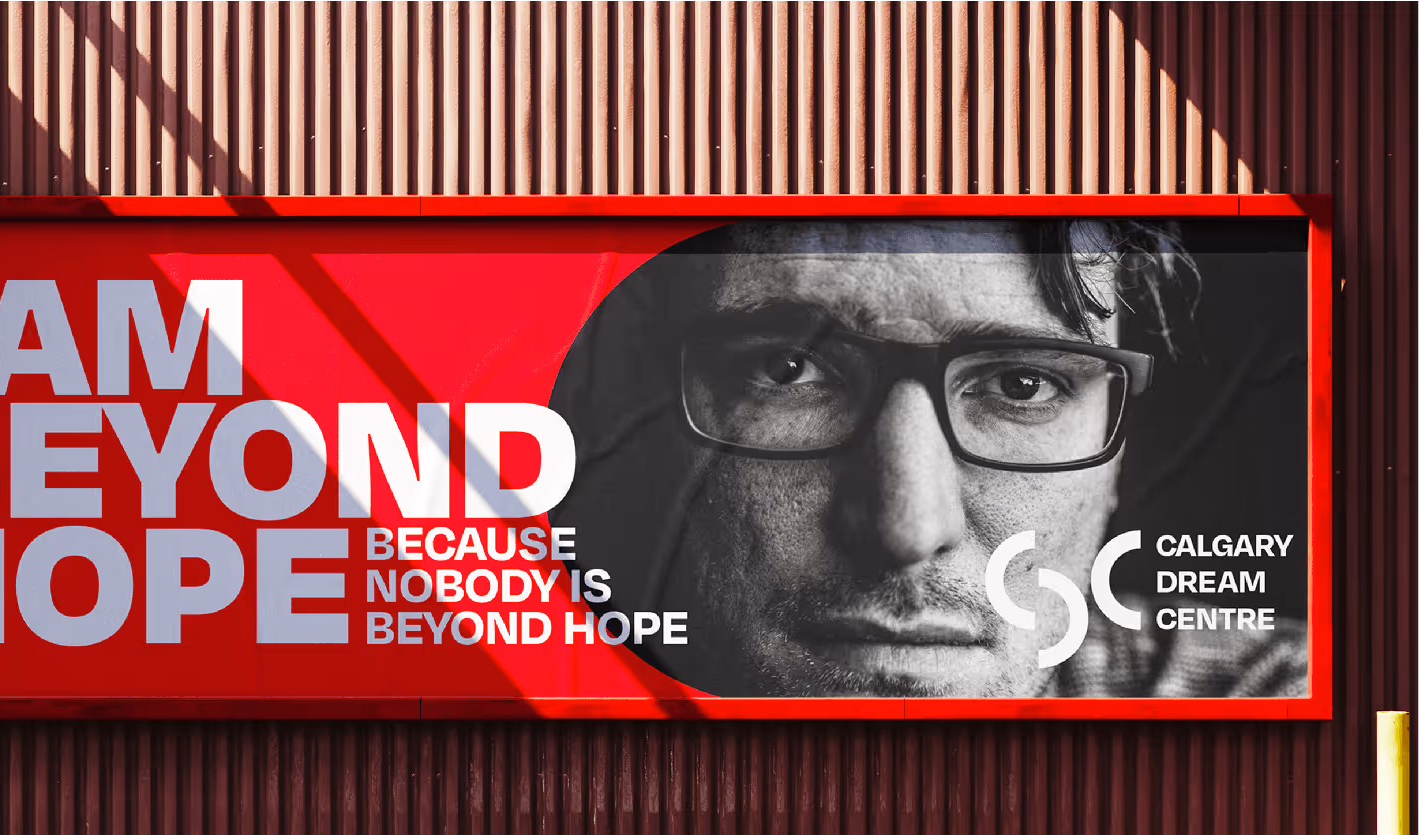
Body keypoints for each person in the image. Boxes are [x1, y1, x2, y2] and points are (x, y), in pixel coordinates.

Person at [547, 218, 1308, 699]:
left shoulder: (1265, 702)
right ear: (633, 416)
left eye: (1021, 384)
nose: (907, 528)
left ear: (1115, 456)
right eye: (785, 371)